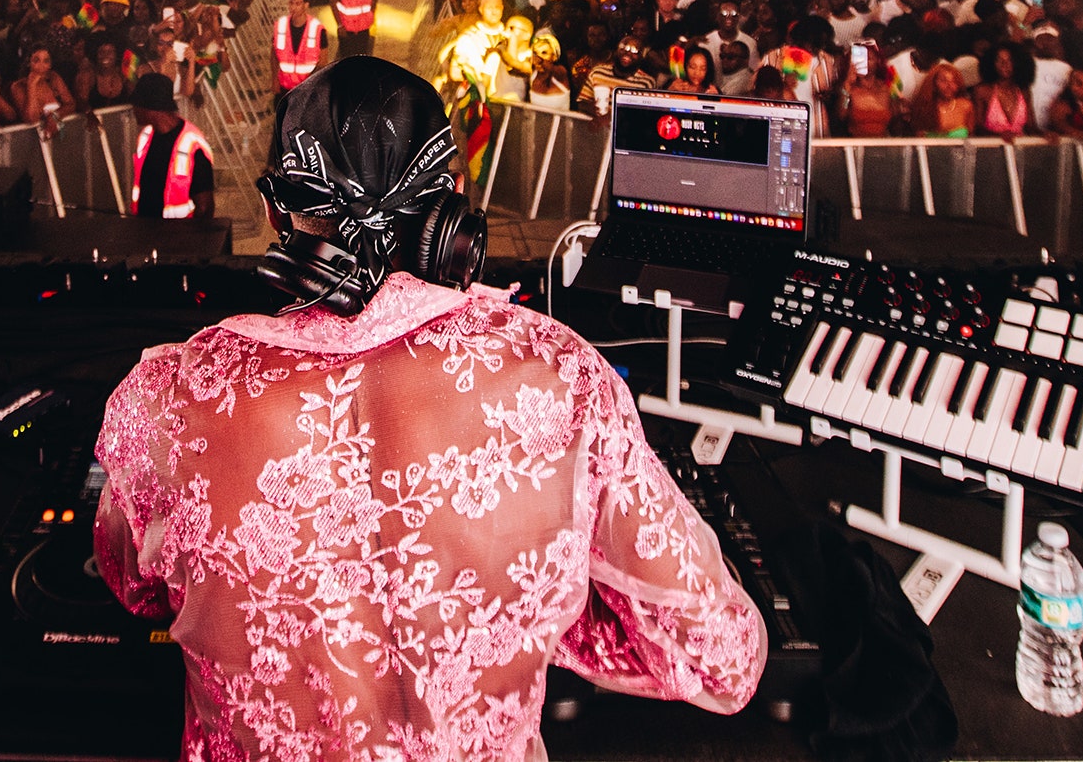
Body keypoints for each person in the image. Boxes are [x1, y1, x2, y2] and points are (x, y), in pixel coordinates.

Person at [92, 57, 762, 761]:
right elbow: (724, 658)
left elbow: (136, 587)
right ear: (455, 205)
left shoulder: (166, 398)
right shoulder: (562, 379)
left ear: (274, 213)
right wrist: (535, 612)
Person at [126, 72, 214, 219]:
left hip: (177, 232)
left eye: (137, 104)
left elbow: (205, 208)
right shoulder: (145, 136)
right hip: (144, 228)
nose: (134, 109)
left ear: (151, 108)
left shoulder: (192, 145)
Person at [273, 0, 326, 94]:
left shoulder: (317, 29)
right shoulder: (280, 26)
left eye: (298, 4)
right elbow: (274, 54)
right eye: (291, 3)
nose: (293, 7)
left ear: (306, 5)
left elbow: (323, 61)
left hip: (307, 88)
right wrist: (274, 79)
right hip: (285, 86)